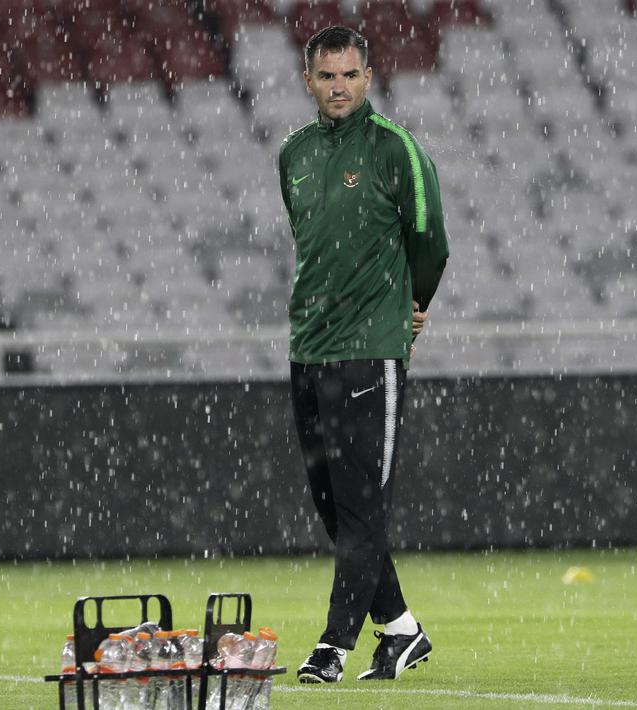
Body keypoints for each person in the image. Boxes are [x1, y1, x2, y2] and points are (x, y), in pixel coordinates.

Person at [277, 25, 450, 683]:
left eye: (349, 74)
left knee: (361, 508)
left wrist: (412, 304)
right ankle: (402, 630)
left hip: (370, 353)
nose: (339, 86)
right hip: (308, 350)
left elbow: (429, 241)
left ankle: (334, 645)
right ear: (308, 81)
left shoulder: (394, 151)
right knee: (333, 504)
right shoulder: (292, 153)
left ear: (368, 77)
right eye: (327, 76)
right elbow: (311, 242)